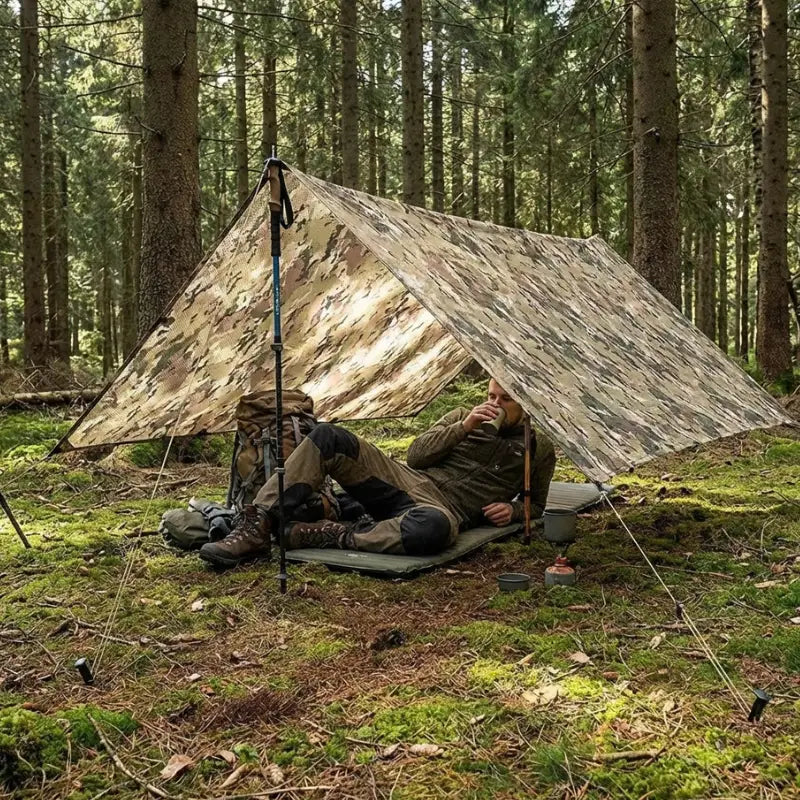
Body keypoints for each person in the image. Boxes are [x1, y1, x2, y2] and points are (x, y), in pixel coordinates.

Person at [199, 378, 556, 567]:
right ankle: (256, 523)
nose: (493, 404)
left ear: (526, 402)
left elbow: (537, 504)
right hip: (410, 481)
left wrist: (514, 510)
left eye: (504, 400)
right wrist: (461, 428)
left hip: (447, 510)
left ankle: (330, 534)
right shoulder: (462, 417)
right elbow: (416, 457)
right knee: (330, 436)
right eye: (491, 395)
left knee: (434, 529)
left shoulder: (538, 448)